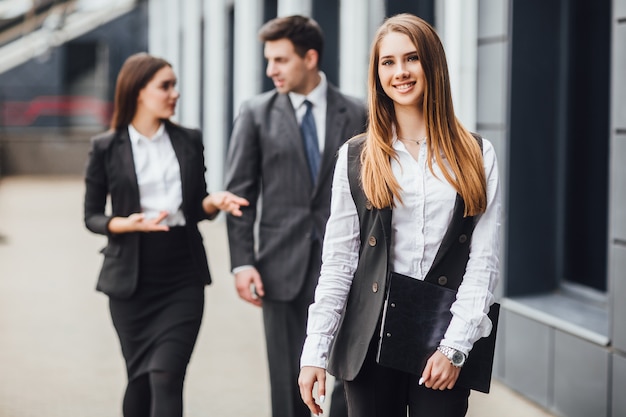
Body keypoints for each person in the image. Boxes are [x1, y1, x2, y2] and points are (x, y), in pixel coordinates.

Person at [298, 13, 501, 417]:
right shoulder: (357, 155)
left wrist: (455, 348)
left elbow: (484, 263)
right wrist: (314, 351)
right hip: (370, 334)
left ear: (433, 65)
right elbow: (339, 262)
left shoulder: (477, 154)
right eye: (387, 62)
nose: (400, 72)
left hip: (442, 334)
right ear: (377, 73)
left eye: (411, 58)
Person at [83, 52, 248, 417]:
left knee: (166, 375)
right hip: (131, 280)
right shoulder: (106, 147)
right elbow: (91, 216)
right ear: (139, 91)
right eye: (166, 86)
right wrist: (127, 223)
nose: (175, 93)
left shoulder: (189, 139)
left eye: (175, 85)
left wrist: (213, 202)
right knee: (140, 378)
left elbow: (193, 208)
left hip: (182, 275)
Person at [224, 15, 367, 417]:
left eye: (281, 60)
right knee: (287, 383)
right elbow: (240, 195)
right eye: (269, 60)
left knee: (350, 375)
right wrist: (242, 262)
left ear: (310, 57)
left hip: (347, 268)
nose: (271, 70)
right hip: (278, 266)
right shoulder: (255, 113)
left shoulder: (358, 113)